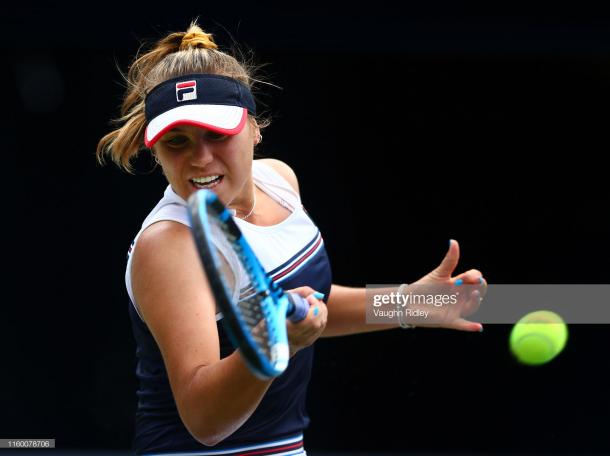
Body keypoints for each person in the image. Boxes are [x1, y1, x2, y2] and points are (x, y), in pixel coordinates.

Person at [96, 21, 487, 456]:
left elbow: (309, 305)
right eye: (177, 142)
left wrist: (408, 302)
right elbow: (203, 419)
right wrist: (270, 346)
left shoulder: (279, 181)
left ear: (254, 128)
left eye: (216, 134)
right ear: (155, 151)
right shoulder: (171, 246)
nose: (200, 157)